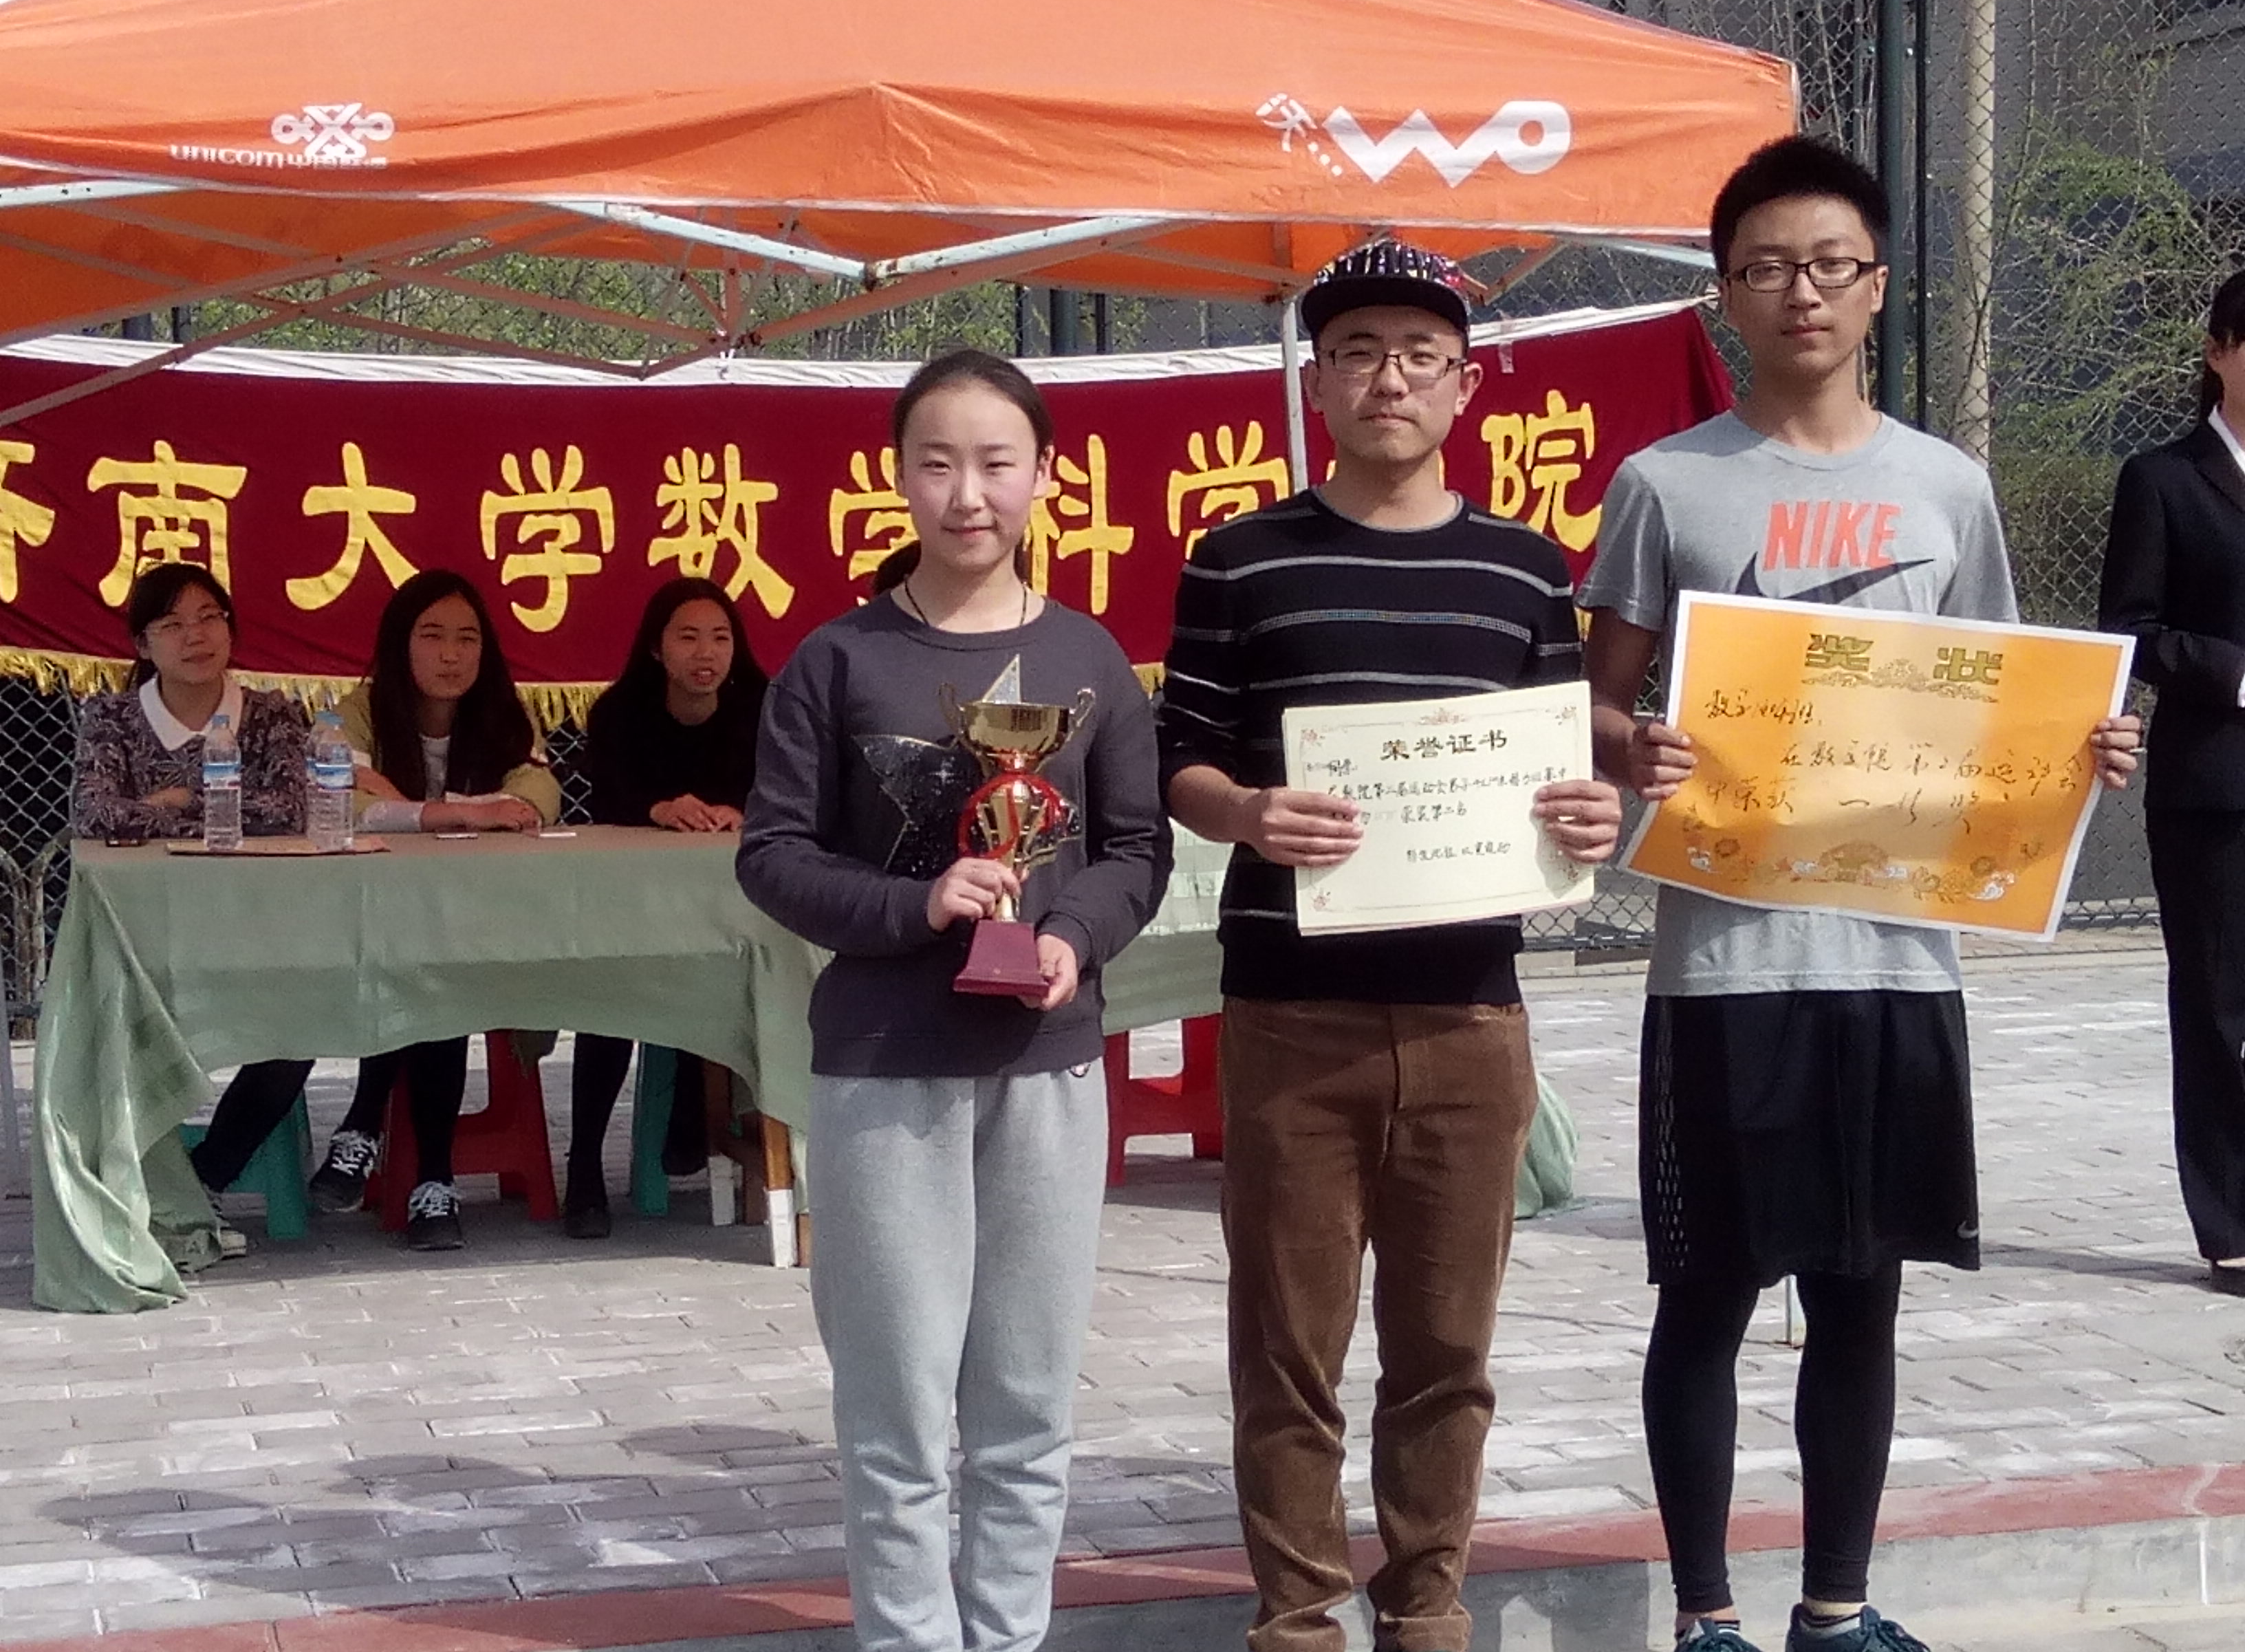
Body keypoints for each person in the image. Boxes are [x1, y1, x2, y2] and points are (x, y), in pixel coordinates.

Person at [1578, 136, 2141, 1652]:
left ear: (1878, 285)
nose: (1801, 292)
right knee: (1705, 1293)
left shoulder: (1946, 487)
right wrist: (1638, 744)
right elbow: (1594, 701)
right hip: (1723, 962)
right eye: (1766, 267)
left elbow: (2008, 700)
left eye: (1829, 264)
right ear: (1725, 295)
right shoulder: (1663, 484)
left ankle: (1834, 1607)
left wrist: (2088, 750)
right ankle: (1704, 1618)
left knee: (1860, 1293)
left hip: (1895, 963)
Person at [1158, 241, 1623, 1652]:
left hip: (1472, 1016)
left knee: (1447, 1351)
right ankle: (1297, 1618)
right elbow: (1182, 757)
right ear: (1315, 381)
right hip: (1290, 1013)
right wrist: (1248, 811)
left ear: (1465, 387)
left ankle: (1427, 1611)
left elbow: (1556, 770)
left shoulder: (1526, 568)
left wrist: (1589, 815)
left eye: (1420, 355)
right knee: (1286, 1349)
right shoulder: (1238, 560)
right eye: (1357, 350)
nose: (1388, 379)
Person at [737, 349, 1169, 1652]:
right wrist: (916, 905)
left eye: (995, 463)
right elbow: (772, 856)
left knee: (1027, 1403)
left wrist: (1072, 938)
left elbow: (1135, 848)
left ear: (1045, 475)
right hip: (885, 1070)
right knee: (897, 1409)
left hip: (1049, 1062)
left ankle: (1010, 1634)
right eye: (936, 463)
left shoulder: (1088, 657)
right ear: (896, 477)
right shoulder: (837, 661)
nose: (966, 494)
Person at [303, 570, 561, 1252]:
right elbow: (343, 802)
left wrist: (411, 809)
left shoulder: (506, 713)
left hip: (487, 924)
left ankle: (365, 1127)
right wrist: (460, 814)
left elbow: (536, 798)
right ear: (400, 643)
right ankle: (432, 1181)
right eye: (433, 636)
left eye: (468, 639)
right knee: (423, 970)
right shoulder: (356, 711)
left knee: (437, 970)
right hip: (375, 925)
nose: (452, 655)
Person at [71, 563, 313, 1258]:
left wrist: (172, 803)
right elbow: (94, 814)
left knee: (300, 1028)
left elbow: (289, 810)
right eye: (172, 624)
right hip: (145, 940)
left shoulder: (272, 714)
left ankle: (205, 1179)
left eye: (209, 618)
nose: (195, 636)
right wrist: (219, 807)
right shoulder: (113, 717)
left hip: (259, 931)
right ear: (143, 645)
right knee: (116, 1040)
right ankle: (137, 1190)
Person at [2099, 265, 2245, 1295]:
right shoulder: (2164, 478)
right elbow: (2130, 629)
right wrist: (2236, 675)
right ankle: (2231, 1224)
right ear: (2218, 352)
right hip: (2214, 785)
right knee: (2218, 1005)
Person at [565, 576, 770, 1239]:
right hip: (635, 910)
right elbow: (605, 799)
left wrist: (744, 814)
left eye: (720, 638)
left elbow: (787, 795)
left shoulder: (763, 708)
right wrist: (659, 808)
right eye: (688, 638)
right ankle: (585, 1168)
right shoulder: (619, 712)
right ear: (657, 648)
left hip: (731, 912)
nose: (706, 653)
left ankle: (708, 1127)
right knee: (607, 1002)